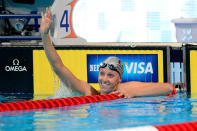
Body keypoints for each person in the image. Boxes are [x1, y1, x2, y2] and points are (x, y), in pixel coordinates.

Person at [40, 7, 176, 98]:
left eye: (110, 75)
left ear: (119, 79)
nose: (104, 79)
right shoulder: (90, 92)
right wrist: (44, 35)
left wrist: (132, 92)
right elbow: (58, 67)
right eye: (102, 74)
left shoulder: (126, 90)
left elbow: (168, 88)